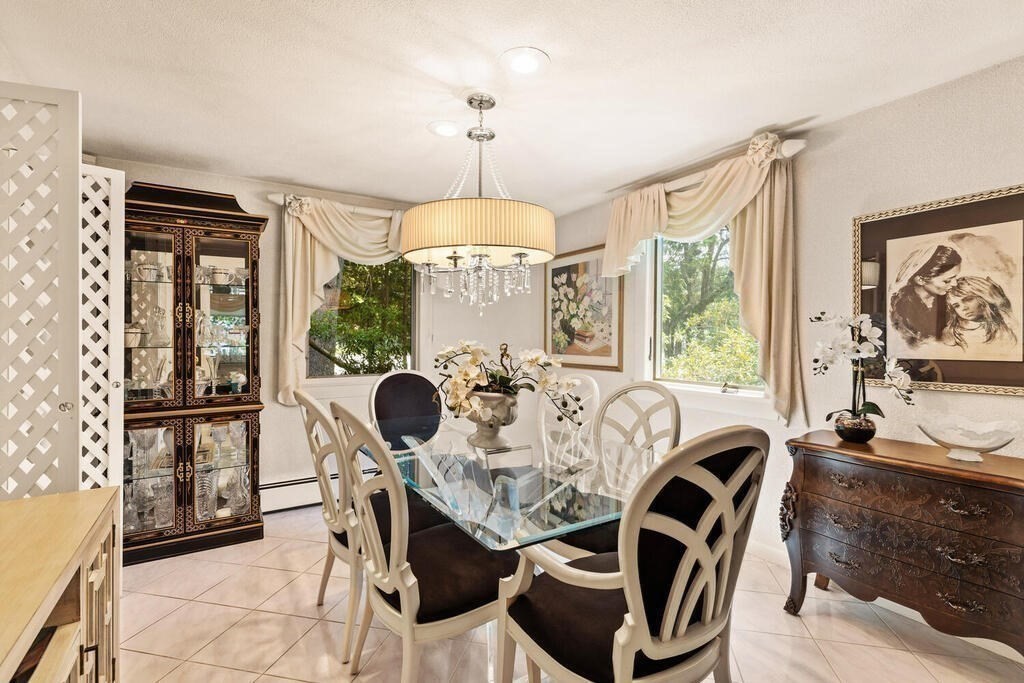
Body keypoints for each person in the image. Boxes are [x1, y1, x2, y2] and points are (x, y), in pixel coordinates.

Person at [889, 244, 962, 347]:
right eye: (947, 280)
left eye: (955, 278)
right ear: (921, 280)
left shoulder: (954, 300)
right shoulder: (898, 306)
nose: (955, 284)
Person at [942, 276, 1018, 350]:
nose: (964, 308)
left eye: (968, 299)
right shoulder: (952, 333)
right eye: (956, 306)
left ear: (983, 297)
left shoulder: (1003, 326)